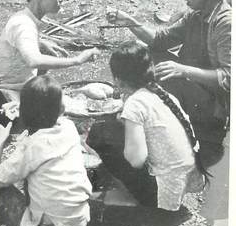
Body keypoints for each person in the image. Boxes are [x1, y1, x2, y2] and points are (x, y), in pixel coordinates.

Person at [106, 0, 231, 163]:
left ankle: (148, 122)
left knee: (164, 71)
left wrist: (183, 70)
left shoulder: (225, 23)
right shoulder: (196, 15)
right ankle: (149, 116)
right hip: (194, 90)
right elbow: (159, 40)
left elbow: (231, 78)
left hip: (212, 107)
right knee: (151, 55)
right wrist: (129, 21)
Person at [87, 42, 205, 211]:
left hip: (164, 192)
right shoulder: (162, 94)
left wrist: (126, 144)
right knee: (116, 130)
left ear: (118, 80)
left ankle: (133, 196)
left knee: (98, 134)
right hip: (188, 178)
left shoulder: (134, 104)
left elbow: (136, 160)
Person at [0, 75, 92, 226]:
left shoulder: (32, 145)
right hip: (79, 223)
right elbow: (48, 110)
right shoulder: (69, 127)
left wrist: (1, 140)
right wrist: (25, 107)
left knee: (1, 191)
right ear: (61, 109)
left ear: (24, 113)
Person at [0, 0, 99, 103]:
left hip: (17, 88)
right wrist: (77, 60)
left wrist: (40, 43)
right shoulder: (23, 24)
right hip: (4, 94)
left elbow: (18, 44)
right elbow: (33, 60)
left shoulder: (27, 19)